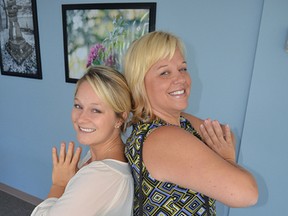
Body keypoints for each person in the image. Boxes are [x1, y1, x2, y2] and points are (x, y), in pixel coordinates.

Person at [124, 31, 258, 215]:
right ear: (140, 83)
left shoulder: (171, 124)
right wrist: (226, 160)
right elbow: (247, 194)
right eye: (164, 72)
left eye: (183, 68)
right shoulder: (165, 138)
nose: (180, 79)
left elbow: (224, 134)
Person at [31, 65, 133, 216]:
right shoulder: (97, 155)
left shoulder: (101, 176)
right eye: (78, 106)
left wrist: (59, 184)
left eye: (96, 110)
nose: (81, 118)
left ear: (120, 118)